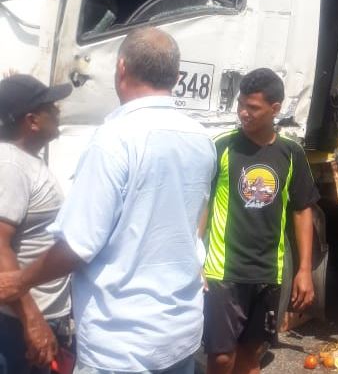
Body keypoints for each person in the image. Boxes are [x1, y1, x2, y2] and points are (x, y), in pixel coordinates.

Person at [0, 28, 217, 374]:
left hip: (123, 342)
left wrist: (21, 280)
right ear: (176, 78)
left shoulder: (114, 140)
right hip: (180, 333)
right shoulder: (201, 139)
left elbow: (79, 245)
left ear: (120, 70)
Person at [202, 68, 318, 374]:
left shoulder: (291, 153)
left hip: (268, 270)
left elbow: (302, 209)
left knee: (252, 355)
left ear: (275, 109)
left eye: (252, 107)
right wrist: (194, 257)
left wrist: (304, 270)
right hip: (223, 269)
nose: (243, 112)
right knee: (221, 356)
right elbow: (203, 203)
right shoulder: (223, 147)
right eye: (241, 104)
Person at [0, 75, 73, 374]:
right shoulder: (12, 165)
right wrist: (32, 318)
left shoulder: (25, 161)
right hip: (17, 323)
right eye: (49, 106)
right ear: (31, 120)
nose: (57, 110)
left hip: (36, 318)